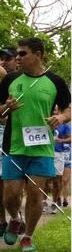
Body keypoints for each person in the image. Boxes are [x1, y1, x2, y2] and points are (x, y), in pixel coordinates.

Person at [0, 37, 71, 251]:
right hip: (14, 146)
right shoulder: (10, 79)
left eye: (23, 53)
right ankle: (15, 218)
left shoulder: (55, 81)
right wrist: (6, 108)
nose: (18, 58)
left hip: (42, 147)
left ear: (38, 55)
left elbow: (69, 109)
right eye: (17, 54)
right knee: (10, 195)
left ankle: (28, 236)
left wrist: (61, 118)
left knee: (35, 193)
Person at [0, 48, 19, 237]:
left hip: (12, 135)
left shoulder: (13, 79)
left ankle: (15, 217)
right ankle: (3, 220)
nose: (3, 62)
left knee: (10, 183)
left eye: (7, 58)